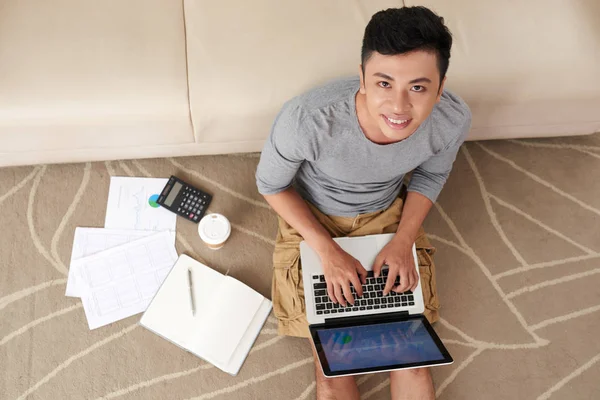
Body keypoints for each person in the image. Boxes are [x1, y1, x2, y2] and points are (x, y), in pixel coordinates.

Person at [256, 6, 471, 400]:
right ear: (362, 77)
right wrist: (327, 251)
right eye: (384, 83)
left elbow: (431, 175)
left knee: (411, 356)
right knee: (335, 364)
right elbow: (271, 185)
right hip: (313, 218)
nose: (398, 107)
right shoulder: (306, 119)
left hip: (387, 215)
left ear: (441, 87)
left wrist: (404, 239)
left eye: (418, 88)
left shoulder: (452, 119)